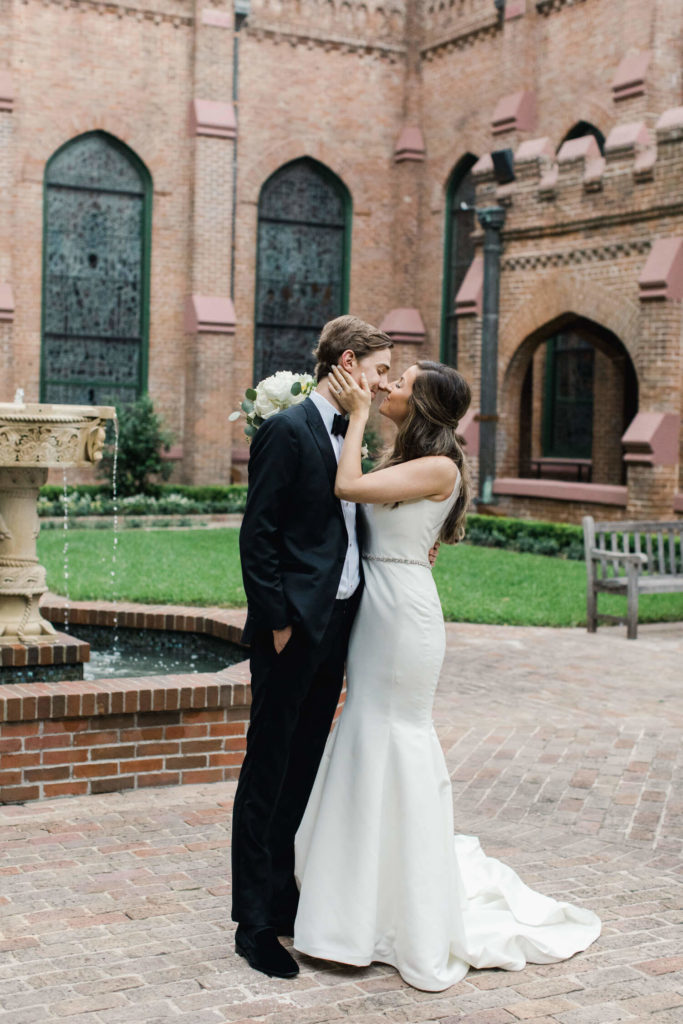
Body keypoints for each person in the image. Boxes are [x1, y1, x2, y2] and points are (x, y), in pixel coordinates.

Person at [293, 360, 601, 992]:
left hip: (403, 619)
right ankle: (356, 900)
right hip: (379, 607)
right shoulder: (409, 462)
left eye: (399, 383)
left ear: (425, 403)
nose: (387, 387)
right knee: (364, 731)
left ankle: (399, 907)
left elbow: (347, 488)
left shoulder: (439, 466)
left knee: (394, 736)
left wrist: (352, 418)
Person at [231, 315, 394, 980]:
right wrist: (276, 620)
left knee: (302, 768)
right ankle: (254, 924)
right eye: (380, 371)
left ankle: (284, 895)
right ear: (350, 362)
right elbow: (258, 534)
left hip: (340, 625)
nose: (384, 384)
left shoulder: (356, 434)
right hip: (293, 626)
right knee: (268, 770)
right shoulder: (286, 429)